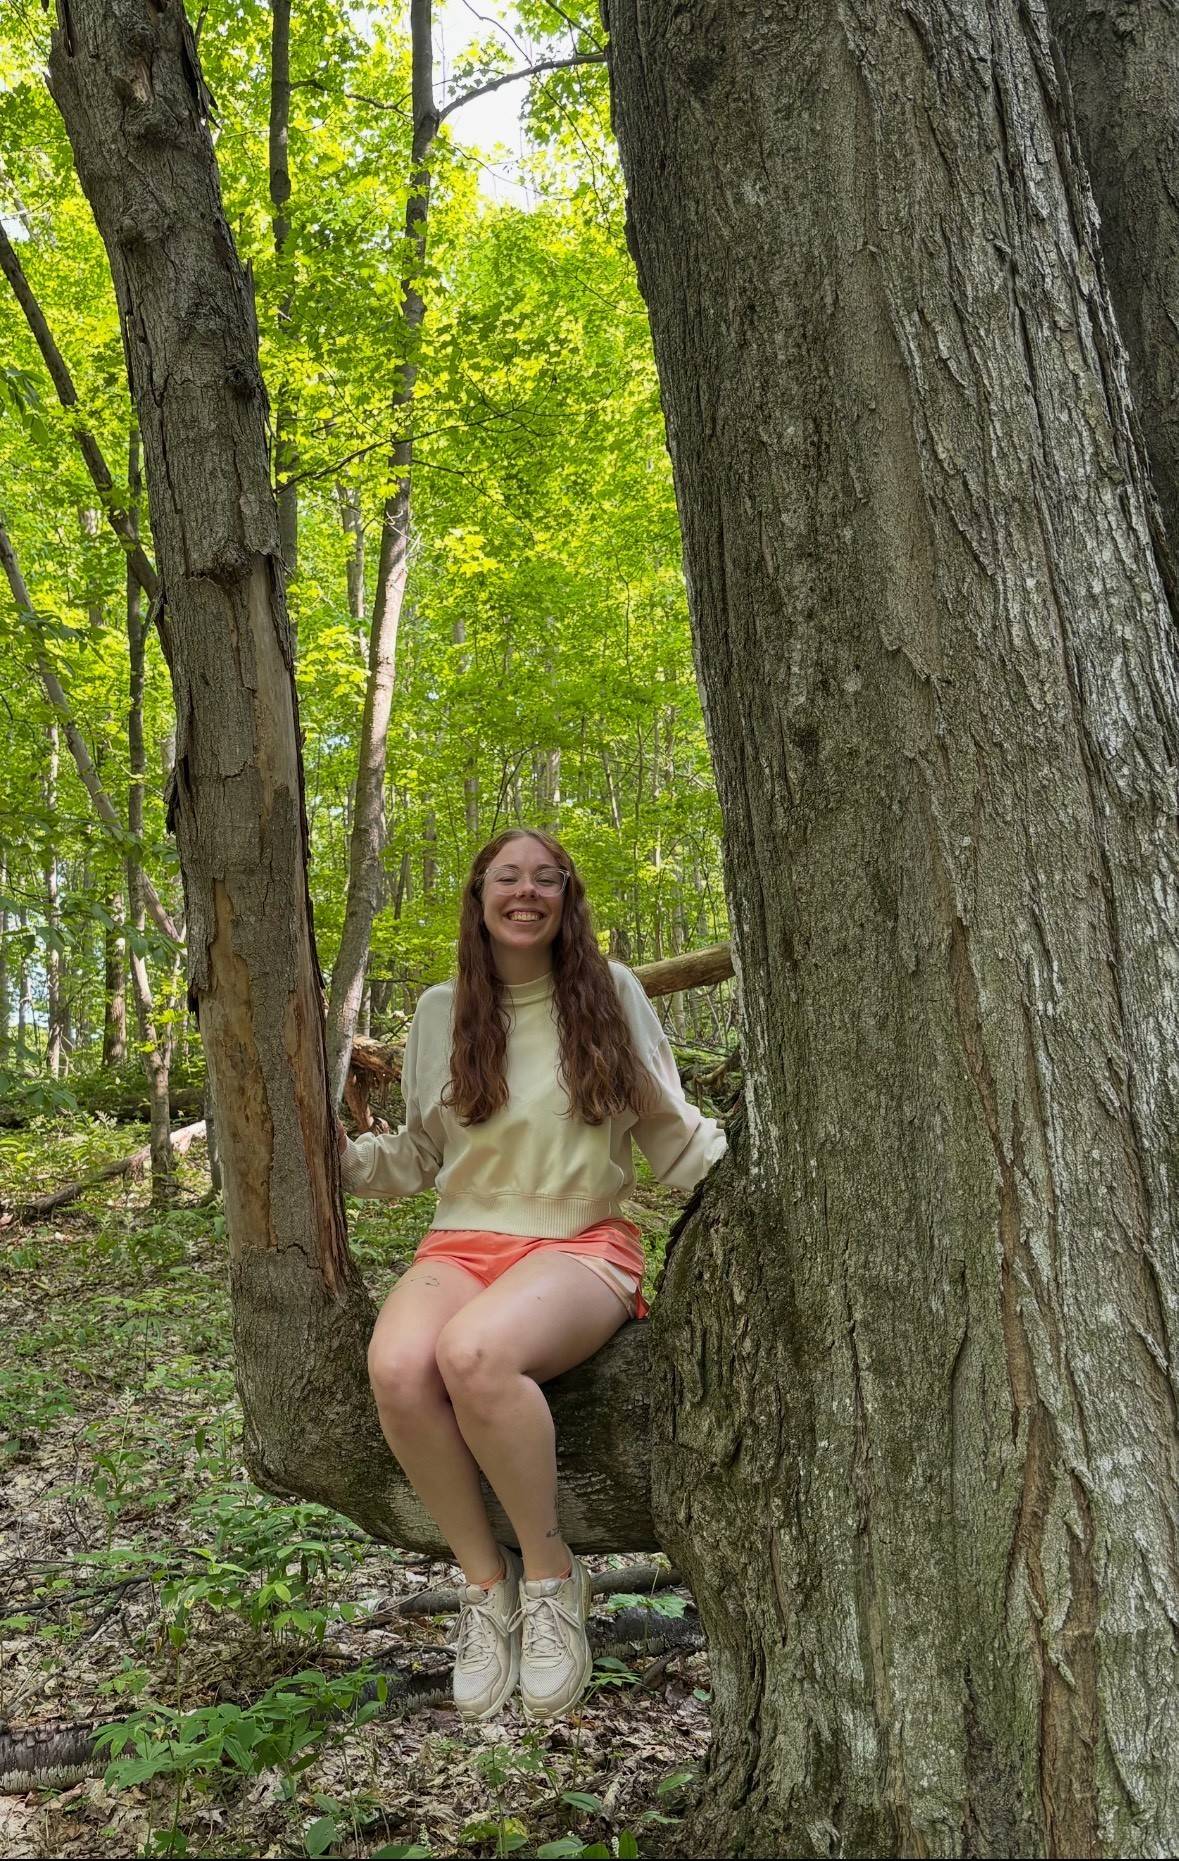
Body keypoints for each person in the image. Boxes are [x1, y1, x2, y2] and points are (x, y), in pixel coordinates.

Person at [336, 828, 726, 1723]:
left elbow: (667, 1123)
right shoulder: (441, 1010)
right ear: (478, 898)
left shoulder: (610, 993)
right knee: (398, 1369)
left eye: (543, 878)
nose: (525, 891)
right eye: (506, 877)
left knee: (473, 1355)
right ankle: (485, 1590)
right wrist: (345, 1162)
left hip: (580, 1242)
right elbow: (424, 1149)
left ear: (564, 899)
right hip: (460, 1241)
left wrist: (737, 1171)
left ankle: (552, 1580)